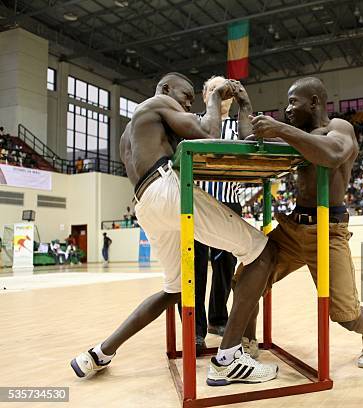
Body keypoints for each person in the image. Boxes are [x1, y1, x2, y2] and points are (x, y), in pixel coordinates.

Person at [71, 72, 279, 386]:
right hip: (167, 190)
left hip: (146, 204)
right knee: (265, 252)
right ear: (166, 89)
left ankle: (100, 352)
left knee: (175, 289)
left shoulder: (134, 129)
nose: (186, 103)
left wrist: (236, 108)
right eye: (185, 96)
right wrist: (213, 98)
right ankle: (228, 359)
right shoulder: (159, 102)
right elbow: (208, 132)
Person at [245, 76, 363, 368]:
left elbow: (332, 155)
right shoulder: (297, 134)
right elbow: (251, 137)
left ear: (315, 102)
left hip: (329, 230)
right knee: (245, 279)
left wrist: (280, 128)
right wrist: (247, 106)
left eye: (294, 102)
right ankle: (247, 343)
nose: (288, 109)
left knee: (346, 316)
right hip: (293, 228)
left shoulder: (339, 128)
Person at [190, 75, 253, 351]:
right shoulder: (195, 121)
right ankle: (196, 328)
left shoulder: (237, 125)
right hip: (198, 204)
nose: (221, 93)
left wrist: (243, 101)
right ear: (205, 95)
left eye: (225, 89)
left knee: (226, 267)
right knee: (196, 268)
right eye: (215, 89)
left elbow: (249, 141)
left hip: (229, 203)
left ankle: (218, 318)